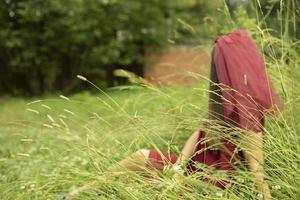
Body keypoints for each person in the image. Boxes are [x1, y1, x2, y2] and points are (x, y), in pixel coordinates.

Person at [67, 30, 282, 200]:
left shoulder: (248, 113)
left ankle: (83, 194)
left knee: (143, 174)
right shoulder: (223, 104)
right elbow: (200, 132)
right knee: (141, 158)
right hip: (192, 167)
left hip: (209, 182)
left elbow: (257, 172)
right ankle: (77, 194)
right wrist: (179, 167)